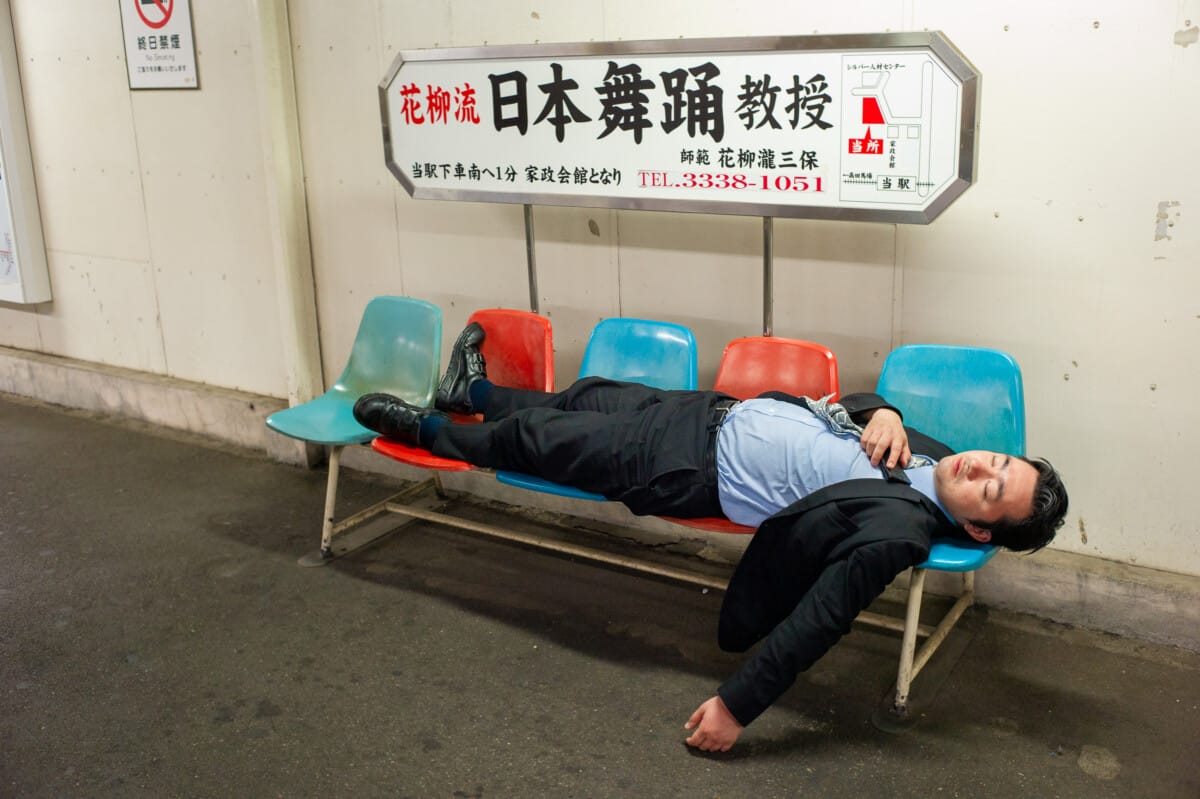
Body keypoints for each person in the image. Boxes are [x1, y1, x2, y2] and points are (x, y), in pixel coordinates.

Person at [353, 323, 1069, 753]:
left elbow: (820, 619)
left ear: (977, 526)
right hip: (708, 414)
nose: (980, 466)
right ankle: (471, 393)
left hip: (686, 466)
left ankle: (431, 430)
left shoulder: (899, 528)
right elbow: (850, 409)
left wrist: (736, 707)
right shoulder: (932, 455)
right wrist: (882, 406)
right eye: (997, 462)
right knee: (586, 394)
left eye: (990, 488)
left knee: (542, 439)